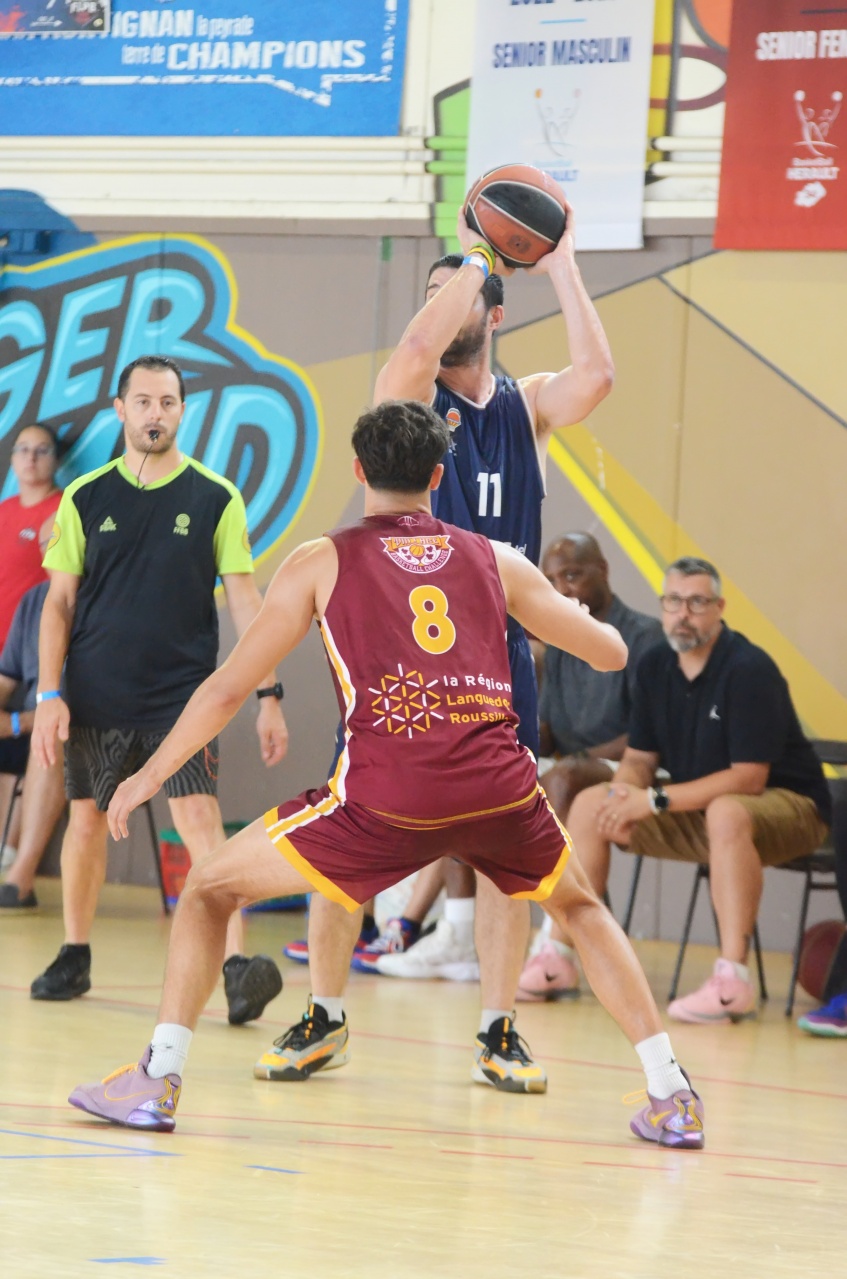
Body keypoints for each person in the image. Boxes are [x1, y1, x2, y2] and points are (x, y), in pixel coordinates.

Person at [68, 400, 704, 1152]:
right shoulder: (494, 558)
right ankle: (672, 1094)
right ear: (437, 476)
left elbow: (228, 688)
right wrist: (567, 612)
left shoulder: (318, 561)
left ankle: (159, 1078)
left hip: (386, 799)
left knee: (209, 889)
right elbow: (612, 654)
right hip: (498, 789)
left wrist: (149, 773)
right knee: (579, 907)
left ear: (358, 470)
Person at [305, 204, 615, 1089]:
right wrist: (479, 256)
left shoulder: (527, 406)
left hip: (498, 662)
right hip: (400, 662)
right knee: (341, 841)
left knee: (504, 855)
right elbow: (414, 346)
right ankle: (323, 1013)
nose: (440, 305)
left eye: (461, 292)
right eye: (431, 294)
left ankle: (496, 1026)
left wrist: (558, 262)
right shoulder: (409, 402)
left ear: (495, 313)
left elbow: (597, 374)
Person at [30, 354, 288, 1026]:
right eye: (142, 402)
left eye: (167, 402)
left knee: (199, 818)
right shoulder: (84, 497)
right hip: (96, 690)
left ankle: (236, 967)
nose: (155, 414)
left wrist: (268, 694)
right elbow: (58, 604)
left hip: (182, 698)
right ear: (120, 410)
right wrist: (49, 694)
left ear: (182, 411)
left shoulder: (215, 497)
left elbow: (247, 602)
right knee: (86, 818)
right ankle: (74, 952)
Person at [560, 555, 831, 1024]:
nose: (683, 614)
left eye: (697, 603)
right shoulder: (654, 665)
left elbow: (749, 778)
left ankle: (732, 980)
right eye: (673, 601)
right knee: (589, 804)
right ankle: (557, 956)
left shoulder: (749, 668)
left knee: (728, 810)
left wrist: (653, 800)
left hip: (792, 810)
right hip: (702, 810)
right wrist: (623, 795)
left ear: (719, 608)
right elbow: (640, 760)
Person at [517, 532, 663, 1000]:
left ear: (603, 570)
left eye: (573, 575)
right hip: (570, 763)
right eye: (553, 580)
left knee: (565, 778)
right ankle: (456, 930)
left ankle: (551, 940)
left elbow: (646, 737)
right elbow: (549, 729)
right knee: (478, 781)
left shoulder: (644, 637)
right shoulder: (563, 636)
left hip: (630, 769)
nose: (563, 589)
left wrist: (573, 758)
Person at [0, 422, 63, 859]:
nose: (31, 458)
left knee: (36, 744)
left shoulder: (62, 511)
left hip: (39, 656)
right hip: (7, 659)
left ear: (55, 459)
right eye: (23, 449)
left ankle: (13, 856)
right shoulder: (5, 511)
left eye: (42, 450)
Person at [0, 581, 67, 909]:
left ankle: (20, 880)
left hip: (76, 729)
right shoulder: (34, 600)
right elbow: (5, 678)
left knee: (50, 731)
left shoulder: (107, 594)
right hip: (27, 722)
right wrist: (15, 721)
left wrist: (26, 721)